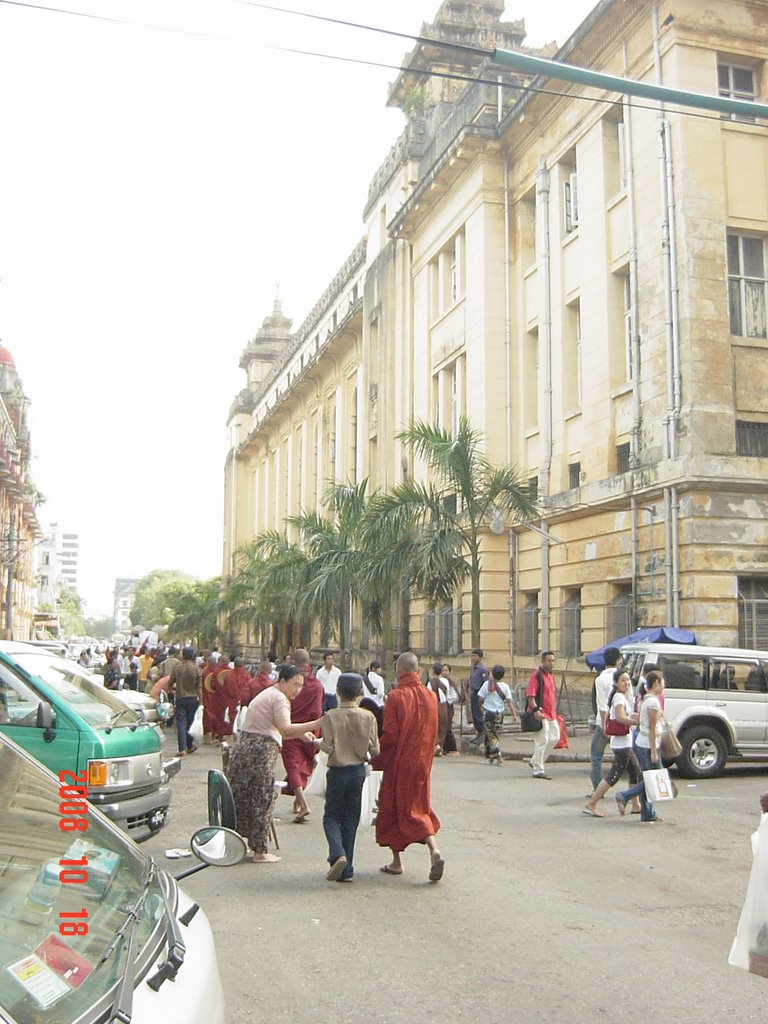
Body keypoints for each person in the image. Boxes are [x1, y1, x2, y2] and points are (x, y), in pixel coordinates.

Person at [226, 664, 322, 864]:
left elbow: (276, 727)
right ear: (283, 681)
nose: (297, 689)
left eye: (301, 686)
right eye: (294, 684)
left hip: (248, 746)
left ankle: (239, 841)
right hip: (259, 750)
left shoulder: (270, 694)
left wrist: (302, 733)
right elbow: (285, 729)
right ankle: (260, 850)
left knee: (244, 796)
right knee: (263, 796)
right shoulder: (278, 698)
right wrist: (316, 723)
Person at [372, 651, 444, 882]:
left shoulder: (395, 697)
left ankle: (397, 861)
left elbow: (391, 735)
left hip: (400, 763)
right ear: (418, 671)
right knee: (420, 806)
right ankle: (433, 849)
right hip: (423, 761)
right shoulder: (431, 696)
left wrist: (376, 757)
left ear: (398, 672)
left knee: (394, 807)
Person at [315, 672, 380, 882]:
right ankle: (347, 868)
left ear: (338, 692)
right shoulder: (368, 717)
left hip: (337, 771)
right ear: (360, 693)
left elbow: (327, 746)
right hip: (358, 772)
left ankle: (337, 853)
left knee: (331, 816)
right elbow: (375, 750)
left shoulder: (330, 716)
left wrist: (314, 742)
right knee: (350, 819)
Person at [583, 669, 642, 816]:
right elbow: (621, 718)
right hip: (621, 744)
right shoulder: (619, 698)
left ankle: (636, 805)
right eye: (623, 680)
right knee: (613, 776)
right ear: (616, 683)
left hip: (625, 742)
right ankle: (592, 803)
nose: (626, 683)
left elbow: (624, 715)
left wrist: (637, 716)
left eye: (628, 680)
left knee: (635, 772)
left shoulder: (621, 697)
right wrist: (637, 721)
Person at [280, 648, 323, 823]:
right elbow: (318, 710)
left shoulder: (289, 684)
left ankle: (303, 804)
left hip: (290, 729)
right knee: (304, 764)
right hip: (310, 730)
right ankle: (298, 801)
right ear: (310, 661)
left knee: (292, 766)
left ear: (293, 662)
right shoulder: (317, 685)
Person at [617, 670, 665, 822]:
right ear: (656, 683)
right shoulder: (652, 702)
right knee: (654, 779)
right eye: (662, 682)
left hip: (644, 743)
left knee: (649, 778)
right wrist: (653, 751)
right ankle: (625, 795)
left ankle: (647, 812)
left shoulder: (647, 700)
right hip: (648, 744)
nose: (663, 685)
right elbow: (651, 727)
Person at [590, 646, 622, 793]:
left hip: (603, 723)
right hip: (621, 723)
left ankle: (597, 787)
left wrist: (605, 726)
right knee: (624, 757)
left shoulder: (600, 679)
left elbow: (602, 706)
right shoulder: (623, 677)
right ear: (618, 661)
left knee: (596, 757)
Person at [526, 651, 559, 779]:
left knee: (555, 738)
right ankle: (538, 769)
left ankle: (535, 760)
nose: (551, 663)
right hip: (540, 712)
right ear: (542, 661)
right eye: (549, 661)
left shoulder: (550, 675)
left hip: (551, 713)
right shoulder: (537, 675)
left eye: (553, 661)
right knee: (542, 740)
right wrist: (535, 710)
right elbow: (530, 695)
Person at [478, 664, 518, 765]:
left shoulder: (487, 684)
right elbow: (509, 702)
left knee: (491, 735)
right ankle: (491, 757)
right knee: (495, 735)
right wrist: (514, 715)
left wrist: (481, 707)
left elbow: (480, 699)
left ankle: (498, 755)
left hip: (487, 713)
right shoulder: (505, 687)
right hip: (499, 714)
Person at [169, 645, 202, 757]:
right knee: (190, 723)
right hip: (193, 698)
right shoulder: (197, 669)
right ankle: (189, 746)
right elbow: (199, 688)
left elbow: (169, 684)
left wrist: (172, 690)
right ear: (193, 656)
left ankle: (182, 748)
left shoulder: (177, 668)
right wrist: (201, 702)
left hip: (181, 698)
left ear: (183, 655)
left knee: (181, 723)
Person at [468, 648, 490, 746]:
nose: (473, 658)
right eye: (472, 656)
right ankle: (478, 733)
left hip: (479, 693)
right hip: (473, 692)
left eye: (475, 656)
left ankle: (482, 734)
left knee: (478, 714)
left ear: (480, 657)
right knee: (474, 714)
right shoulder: (474, 667)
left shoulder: (482, 669)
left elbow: (486, 683)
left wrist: (483, 695)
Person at [427, 662, 449, 756]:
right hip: (444, 705)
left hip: (434, 705)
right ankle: (440, 745)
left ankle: (436, 746)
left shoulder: (431, 682)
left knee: (434, 726)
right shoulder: (445, 681)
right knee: (442, 727)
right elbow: (447, 694)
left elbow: (428, 695)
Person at [360, 660, 385, 736]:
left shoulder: (364, 679)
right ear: (374, 668)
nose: (380, 670)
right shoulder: (379, 679)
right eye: (379, 668)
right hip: (378, 706)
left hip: (367, 706)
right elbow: (381, 694)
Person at [440, 662, 459, 755]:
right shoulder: (439, 681)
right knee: (443, 727)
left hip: (448, 706)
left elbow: (454, 696)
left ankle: (454, 748)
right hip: (441, 706)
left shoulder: (451, 683)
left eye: (446, 670)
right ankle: (445, 748)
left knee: (448, 728)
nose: (445, 672)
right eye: (443, 670)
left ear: (449, 672)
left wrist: (446, 700)